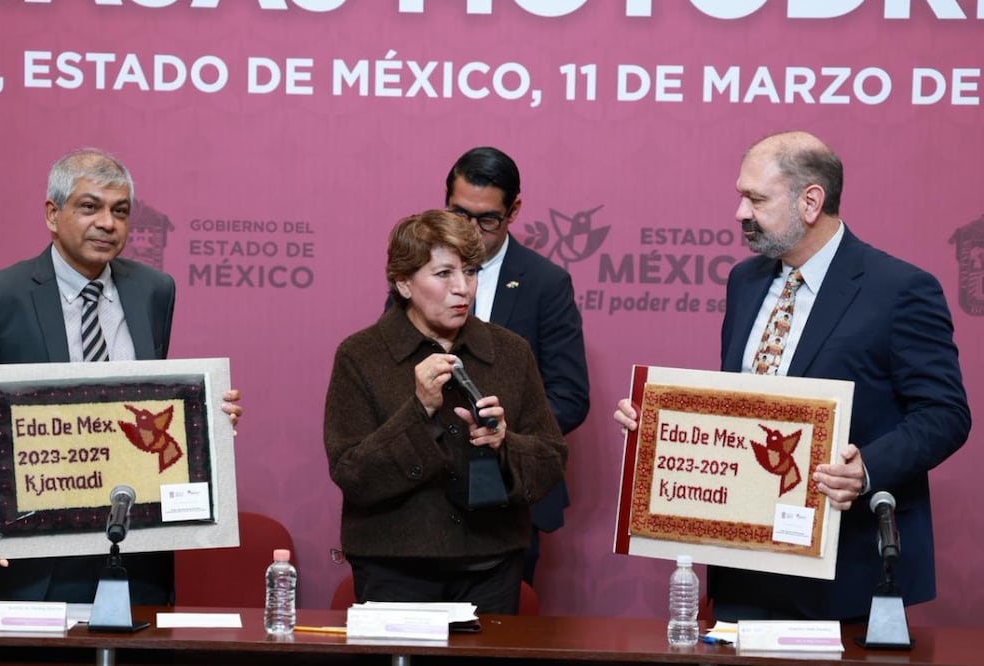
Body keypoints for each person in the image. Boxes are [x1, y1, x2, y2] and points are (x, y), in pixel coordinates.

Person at [614, 130, 971, 621]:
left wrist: (866, 469)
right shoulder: (744, 281)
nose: (740, 212)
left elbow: (945, 414)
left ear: (811, 202)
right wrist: (661, 426)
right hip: (744, 566)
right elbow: (740, 410)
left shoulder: (900, 289)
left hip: (847, 569)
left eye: (756, 199)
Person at [0, 147, 243, 604]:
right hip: (33, 565)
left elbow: (146, 406)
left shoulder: (154, 291)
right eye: (90, 207)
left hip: (133, 558)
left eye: (120, 211)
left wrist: (203, 420)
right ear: (52, 215)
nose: (107, 223)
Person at [324, 209, 567, 614]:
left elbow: (551, 461)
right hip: (393, 570)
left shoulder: (511, 352)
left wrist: (504, 443)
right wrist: (418, 410)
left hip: (492, 567)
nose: (462, 288)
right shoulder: (361, 355)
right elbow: (351, 473)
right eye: (443, 274)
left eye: (470, 272)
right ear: (404, 282)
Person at [445, 147, 589, 585]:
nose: (470, 230)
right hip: (428, 485)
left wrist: (503, 433)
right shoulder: (420, 272)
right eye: (458, 214)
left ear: (514, 211)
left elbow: (569, 397)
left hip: (508, 489)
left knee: (503, 621)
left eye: (487, 219)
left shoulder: (546, 283)